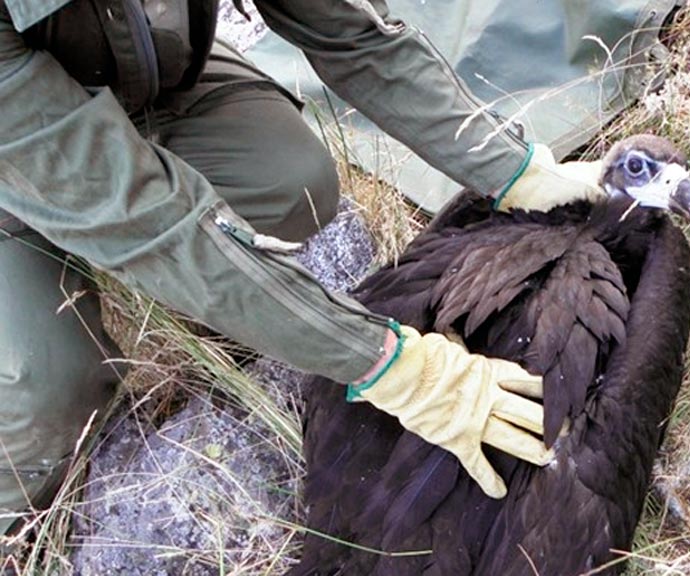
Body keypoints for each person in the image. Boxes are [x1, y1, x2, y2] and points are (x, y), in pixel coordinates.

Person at [0, 0, 606, 535]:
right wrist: (395, 367)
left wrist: (512, 169)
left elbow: (358, 38)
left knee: (293, 185)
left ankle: (235, 311)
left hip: (140, 81)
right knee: (43, 395)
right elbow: (153, 225)